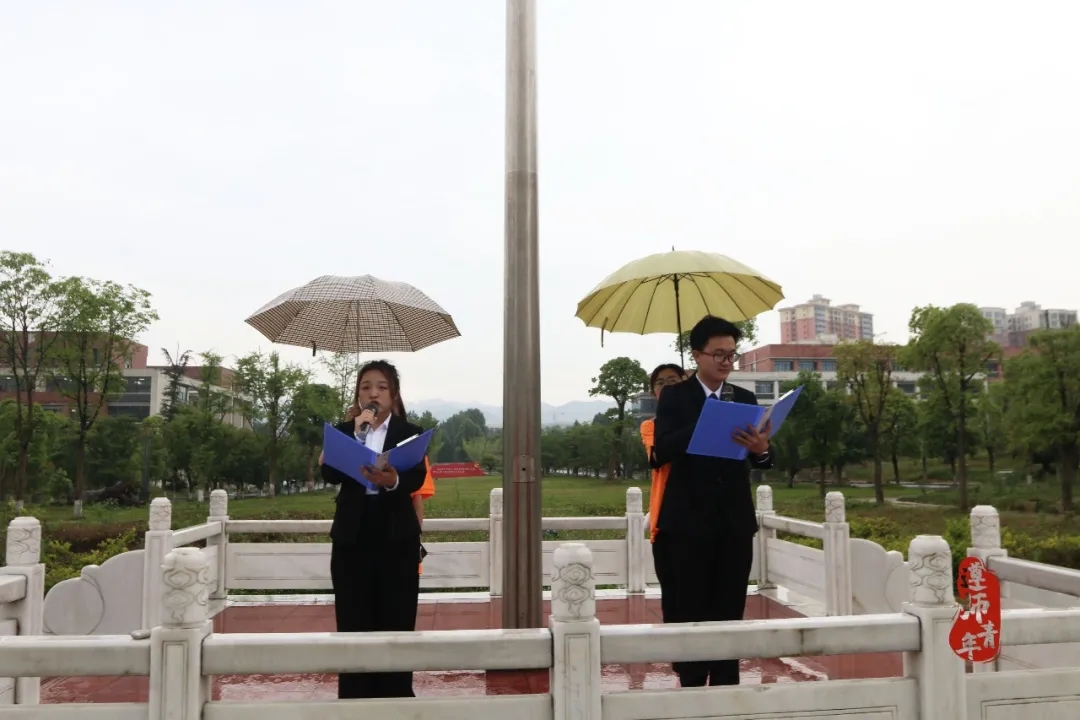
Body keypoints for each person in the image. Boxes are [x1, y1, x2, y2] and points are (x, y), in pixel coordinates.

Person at [652, 316, 773, 688]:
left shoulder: (745, 399)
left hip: (734, 523)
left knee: (729, 609)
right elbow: (660, 451)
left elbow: (763, 460)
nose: (726, 361)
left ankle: (725, 692)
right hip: (687, 524)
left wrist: (762, 449)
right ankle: (691, 687)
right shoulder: (675, 397)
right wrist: (707, 421)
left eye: (731, 355)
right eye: (718, 354)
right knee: (690, 608)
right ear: (696, 355)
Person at [318, 360, 428, 699]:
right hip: (352, 539)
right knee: (353, 621)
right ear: (358, 395)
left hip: (396, 539)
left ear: (393, 394)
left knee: (397, 621)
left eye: (381, 387)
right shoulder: (344, 431)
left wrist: (392, 480)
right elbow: (329, 474)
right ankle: (354, 700)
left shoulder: (409, 432)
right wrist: (355, 435)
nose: (373, 393)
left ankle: (396, 699)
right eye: (366, 387)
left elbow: (416, 477)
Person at [639, 363, 684, 544]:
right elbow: (655, 459)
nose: (667, 386)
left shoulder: (703, 418)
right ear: (653, 392)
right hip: (666, 514)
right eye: (660, 383)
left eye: (673, 381)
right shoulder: (650, 426)